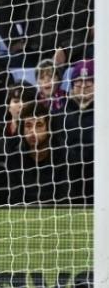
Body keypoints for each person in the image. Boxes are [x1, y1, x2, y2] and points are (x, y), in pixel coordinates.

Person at [5, 102, 69, 204]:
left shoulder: (64, 157)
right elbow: (15, 200)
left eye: (39, 125)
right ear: (22, 129)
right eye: (28, 126)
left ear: (49, 129)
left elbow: (64, 199)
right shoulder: (14, 158)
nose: (33, 132)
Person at [59, 59, 94, 203]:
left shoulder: (103, 113)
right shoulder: (60, 114)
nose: (83, 85)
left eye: (89, 81)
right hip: (67, 178)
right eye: (79, 81)